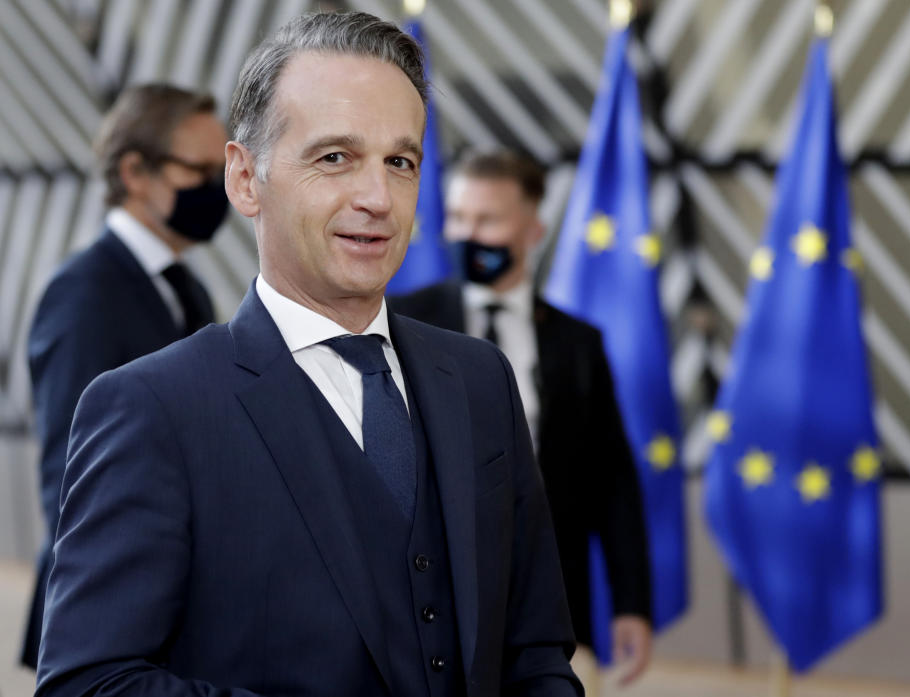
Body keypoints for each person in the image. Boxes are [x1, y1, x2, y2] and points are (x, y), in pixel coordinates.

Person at [36, 11, 582, 697]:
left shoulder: (478, 378)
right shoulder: (152, 410)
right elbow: (89, 682)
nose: (377, 198)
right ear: (243, 179)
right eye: (335, 158)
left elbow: (535, 653)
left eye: (400, 162)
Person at [390, 150, 653, 691]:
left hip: (551, 609)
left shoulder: (578, 344)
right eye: (459, 218)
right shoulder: (399, 321)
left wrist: (632, 603)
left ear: (532, 228)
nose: (469, 235)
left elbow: (612, 479)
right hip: (428, 611)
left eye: (487, 220)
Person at [21, 83, 228, 670]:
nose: (218, 189)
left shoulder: (185, 285)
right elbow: (72, 473)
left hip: (174, 602)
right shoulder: (84, 293)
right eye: (200, 169)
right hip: (117, 609)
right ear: (135, 171)